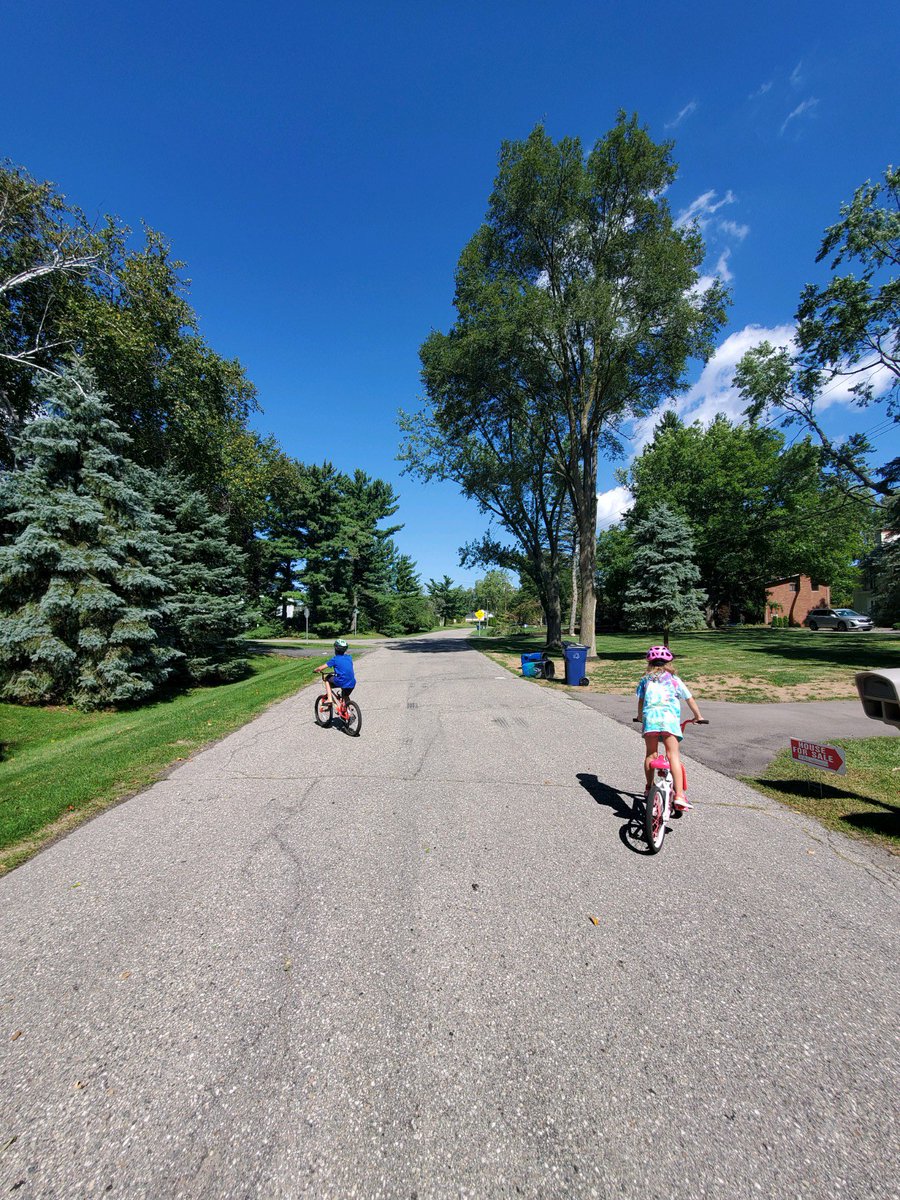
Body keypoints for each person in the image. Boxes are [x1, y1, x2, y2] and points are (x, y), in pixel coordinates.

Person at [635, 645, 704, 812]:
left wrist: (639, 716)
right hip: (669, 721)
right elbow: (690, 699)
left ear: (649, 662)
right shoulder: (674, 680)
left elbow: (641, 702)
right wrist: (698, 716)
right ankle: (679, 795)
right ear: (669, 662)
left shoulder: (645, 680)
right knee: (673, 755)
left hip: (651, 720)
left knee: (651, 754)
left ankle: (649, 787)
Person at [314, 638, 356, 707]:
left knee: (327, 679)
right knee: (345, 695)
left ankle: (330, 699)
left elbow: (321, 668)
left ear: (335, 649)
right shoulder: (349, 657)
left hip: (341, 681)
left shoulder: (335, 659)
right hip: (352, 682)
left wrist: (316, 670)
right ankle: (349, 711)